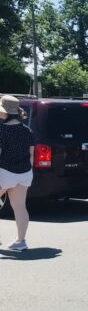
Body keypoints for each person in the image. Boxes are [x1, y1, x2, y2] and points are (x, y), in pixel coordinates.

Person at [0, 95, 34, 251]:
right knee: (20, 207)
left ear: (4, 112)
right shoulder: (27, 130)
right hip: (24, 172)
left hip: (4, 171)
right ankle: (21, 241)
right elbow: (31, 155)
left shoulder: (2, 129)